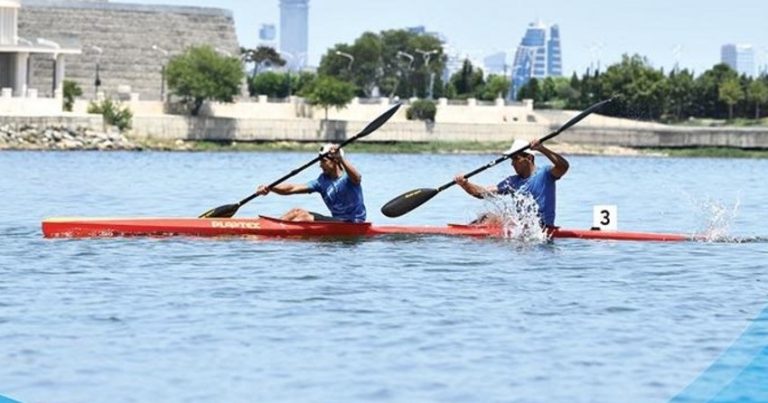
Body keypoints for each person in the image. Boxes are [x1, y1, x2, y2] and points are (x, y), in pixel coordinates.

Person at [453, 138, 569, 229]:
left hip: (542, 229)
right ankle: (467, 233)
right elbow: (482, 193)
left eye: (515, 159)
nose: (512, 164)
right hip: (522, 230)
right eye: (511, 159)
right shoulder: (512, 182)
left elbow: (563, 166)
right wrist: (465, 184)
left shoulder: (545, 174)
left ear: (528, 158)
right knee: (486, 217)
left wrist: (542, 149)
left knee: (501, 220)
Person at [255, 144, 367, 222]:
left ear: (335, 161)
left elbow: (357, 178)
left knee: (303, 217)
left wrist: (341, 158)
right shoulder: (321, 181)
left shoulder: (348, 177)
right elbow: (292, 188)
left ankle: (276, 233)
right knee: (296, 211)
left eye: (324, 161)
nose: (320, 165)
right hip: (337, 222)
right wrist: (270, 188)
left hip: (354, 222)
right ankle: (273, 229)